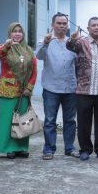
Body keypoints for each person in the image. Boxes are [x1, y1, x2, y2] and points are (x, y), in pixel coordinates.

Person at [67, 17, 98, 161]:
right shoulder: (81, 43)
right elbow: (70, 47)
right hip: (84, 90)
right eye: (93, 25)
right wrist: (72, 39)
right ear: (88, 28)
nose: (96, 27)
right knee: (83, 122)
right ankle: (85, 149)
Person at [35, 13, 79, 160]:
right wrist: (46, 43)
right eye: (58, 23)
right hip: (51, 88)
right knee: (49, 121)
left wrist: (76, 42)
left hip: (70, 87)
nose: (61, 26)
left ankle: (69, 148)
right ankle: (49, 149)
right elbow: (39, 56)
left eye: (64, 23)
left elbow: (81, 60)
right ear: (53, 24)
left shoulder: (71, 42)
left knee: (70, 120)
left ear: (67, 25)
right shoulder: (46, 40)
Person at [0, 22, 37, 159]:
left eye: (20, 31)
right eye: (14, 31)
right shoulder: (4, 48)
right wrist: (8, 45)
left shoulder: (29, 50)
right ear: (10, 33)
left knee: (23, 120)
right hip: (8, 90)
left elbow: (34, 71)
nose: (17, 34)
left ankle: (21, 148)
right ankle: (8, 148)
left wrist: (29, 87)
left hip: (24, 91)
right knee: (8, 120)